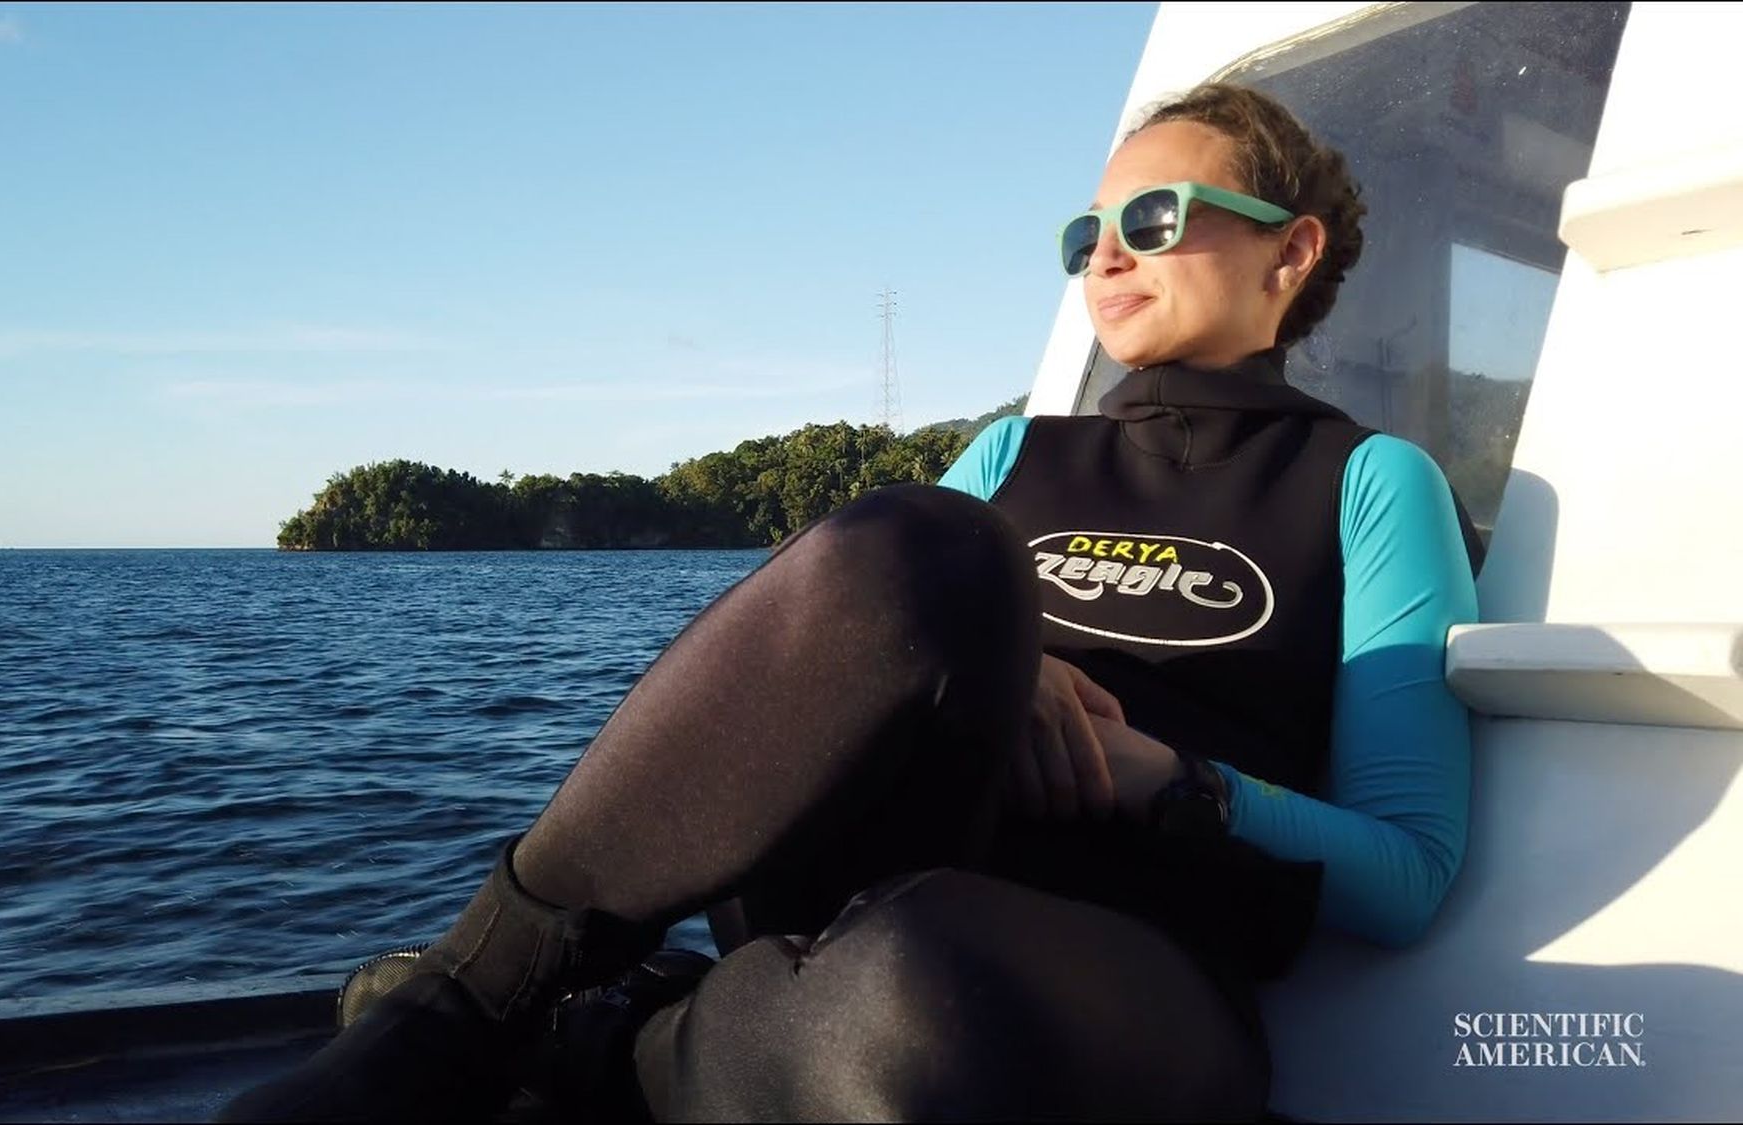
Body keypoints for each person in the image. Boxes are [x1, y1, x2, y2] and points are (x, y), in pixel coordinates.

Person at [219, 81, 1480, 1123]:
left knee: (905, 1003)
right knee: (913, 540)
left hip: (1124, 965)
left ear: (1288, 250)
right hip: (874, 865)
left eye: (1153, 219)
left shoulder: (1364, 481)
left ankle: (619, 1040)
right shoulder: (1010, 456)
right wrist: (1014, 656)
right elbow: (849, 630)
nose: (1104, 255)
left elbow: (1408, 873)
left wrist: (1170, 779)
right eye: (1084, 232)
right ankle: (475, 993)